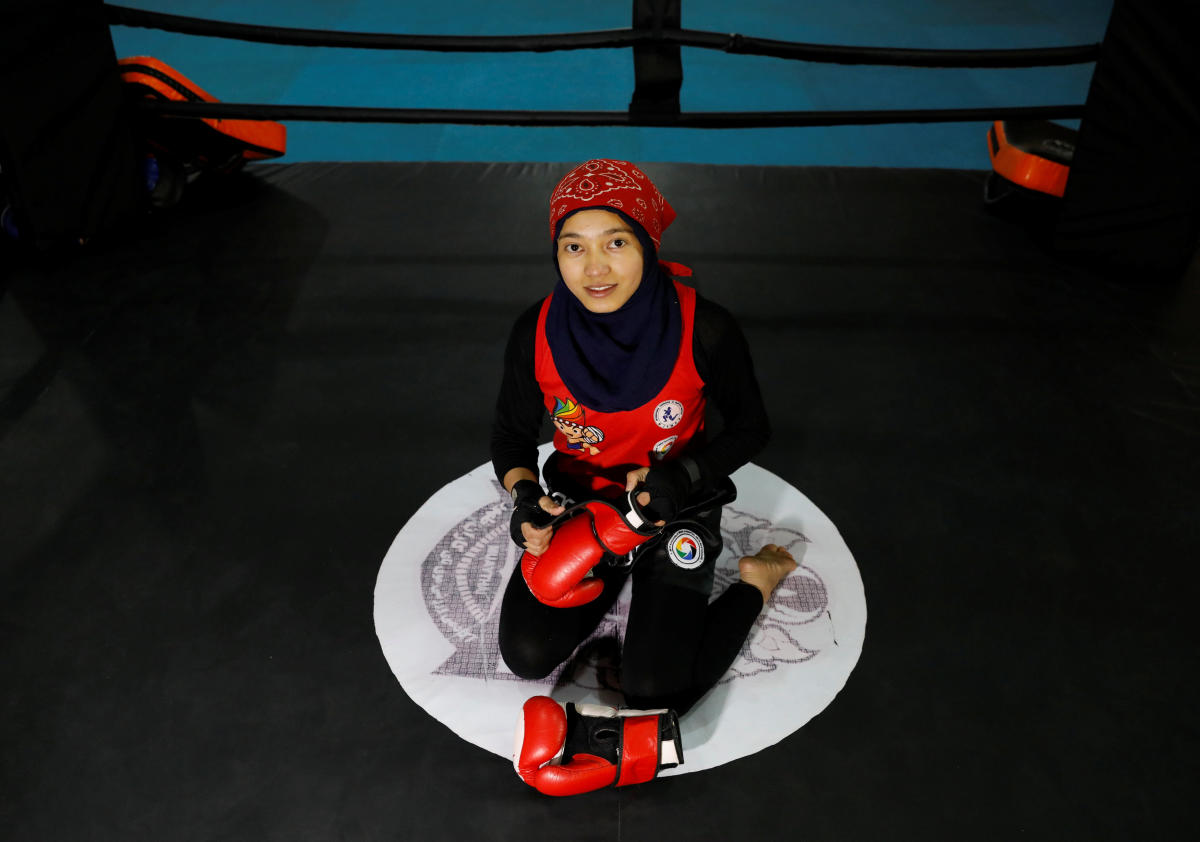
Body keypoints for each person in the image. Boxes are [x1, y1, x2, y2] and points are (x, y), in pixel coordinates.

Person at [491, 159, 794, 726]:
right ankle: (618, 571)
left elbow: (753, 428)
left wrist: (682, 477)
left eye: (616, 242)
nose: (594, 268)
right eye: (573, 247)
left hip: (677, 504)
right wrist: (526, 499)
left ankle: (756, 583)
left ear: (648, 245)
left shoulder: (707, 328)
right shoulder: (534, 330)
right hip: (586, 506)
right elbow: (510, 438)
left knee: (655, 692)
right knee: (526, 655)